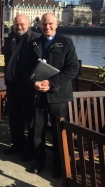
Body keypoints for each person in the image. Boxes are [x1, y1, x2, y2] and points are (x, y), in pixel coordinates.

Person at [23, 13, 79, 178]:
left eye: (50, 24)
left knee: (58, 132)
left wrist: (52, 83)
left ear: (57, 24)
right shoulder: (33, 43)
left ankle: (58, 165)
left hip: (58, 96)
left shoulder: (66, 43)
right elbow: (24, 68)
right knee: (37, 130)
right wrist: (33, 83)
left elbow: (73, 69)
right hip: (37, 94)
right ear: (40, 25)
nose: (47, 27)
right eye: (44, 24)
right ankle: (39, 161)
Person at [3, 14, 39, 160]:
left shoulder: (35, 39)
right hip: (13, 85)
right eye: (16, 24)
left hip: (28, 87)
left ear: (28, 24)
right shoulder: (10, 39)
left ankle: (29, 150)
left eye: (22, 24)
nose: (19, 27)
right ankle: (17, 145)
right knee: (14, 119)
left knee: (29, 120)